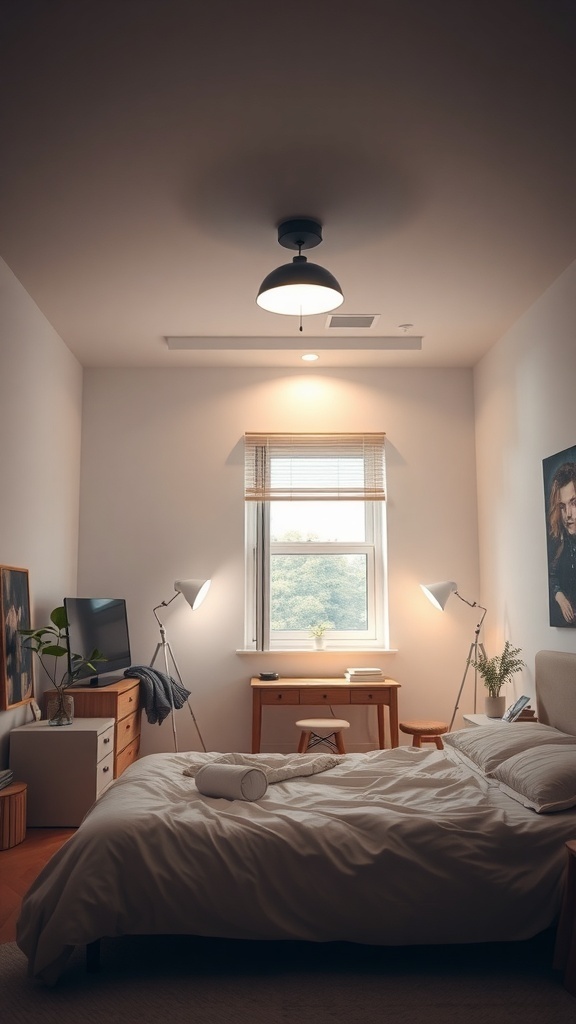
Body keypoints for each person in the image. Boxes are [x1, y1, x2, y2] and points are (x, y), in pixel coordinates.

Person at [547, 462, 576, 626]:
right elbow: (552, 575)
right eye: (562, 507)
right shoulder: (559, 540)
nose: (568, 515)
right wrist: (559, 595)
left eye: (574, 502)